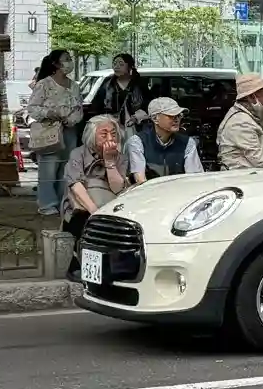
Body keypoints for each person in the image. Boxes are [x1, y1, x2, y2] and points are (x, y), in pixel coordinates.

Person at [24, 49, 84, 216]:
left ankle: (63, 201)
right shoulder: (44, 84)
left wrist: (72, 119)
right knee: (48, 169)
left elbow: (79, 108)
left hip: (69, 130)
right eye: (66, 59)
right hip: (48, 130)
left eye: (70, 58)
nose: (69, 62)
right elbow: (33, 108)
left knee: (66, 168)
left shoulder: (74, 86)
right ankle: (47, 204)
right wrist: (49, 113)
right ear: (55, 63)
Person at [62, 115, 132, 256]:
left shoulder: (121, 158)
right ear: (92, 136)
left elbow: (118, 189)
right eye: (104, 134)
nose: (110, 138)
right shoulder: (78, 154)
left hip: (110, 209)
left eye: (113, 134)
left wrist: (109, 162)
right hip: (83, 209)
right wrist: (95, 212)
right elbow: (76, 186)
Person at [126, 97, 203, 181]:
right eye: (172, 116)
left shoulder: (187, 143)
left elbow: (195, 180)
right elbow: (140, 181)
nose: (177, 119)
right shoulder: (137, 142)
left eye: (179, 115)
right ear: (155, 119)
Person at [217, 74, 263, 169]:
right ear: (252, 97)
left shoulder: (241, 116)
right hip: (240, 175)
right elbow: (260, 162)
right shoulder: (241, 122)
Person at [91, 53, 150, 128]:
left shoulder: (139, 85)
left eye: (121, 64)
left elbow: (148, 105)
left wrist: (136, 117)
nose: (117, 66)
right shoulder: (107, 86)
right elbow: (97, 107)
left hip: (135, 126)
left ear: (130, 66)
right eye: (114, 64)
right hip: (112, 126)